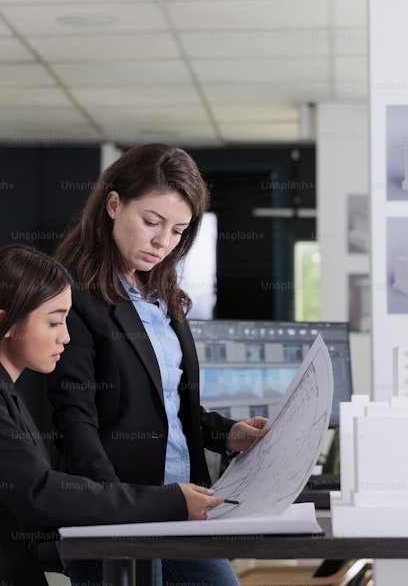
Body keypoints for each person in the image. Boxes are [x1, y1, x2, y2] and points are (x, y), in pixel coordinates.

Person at [0, 244, 224, 586]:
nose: (66, 337)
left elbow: (39, 489)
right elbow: (39, 491)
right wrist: (168, 501)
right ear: (4, 323)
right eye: (54, 322)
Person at [47, 144, 269, 586]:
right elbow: (74, 422)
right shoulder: (69, 294)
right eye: (151, 222)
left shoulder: (159, 294)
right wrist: (120, 509)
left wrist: (226, 434)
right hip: (115, 515)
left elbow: (168, 407)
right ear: (114, 205)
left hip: (181, 508)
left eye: (178, 231)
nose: (162, 242)